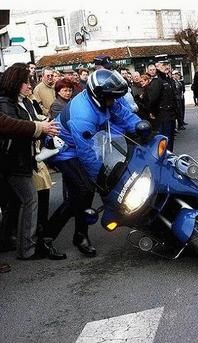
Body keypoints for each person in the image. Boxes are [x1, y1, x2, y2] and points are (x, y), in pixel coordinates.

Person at [46, 69, 142, 257]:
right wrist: (103, 181)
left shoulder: (105, 97)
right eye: (111, 98)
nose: (113, 101)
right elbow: (86, 154)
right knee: (84, 190)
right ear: (100, 96)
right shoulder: (83, 115)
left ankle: (77, 235)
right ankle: (48, 237)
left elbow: (124, 115)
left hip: (85, 142)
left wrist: (142, 129)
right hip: (64, 150)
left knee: (81, 194)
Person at [0, 65, 60, 260]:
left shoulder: (21, 101)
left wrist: (44, 125)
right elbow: (13, 125)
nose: (29, 85)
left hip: (20, 160)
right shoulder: (5, 102)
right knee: (30, 200)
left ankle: (13, 241)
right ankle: (27, 248)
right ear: (16, 83)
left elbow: (30, 121)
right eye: (26, 81)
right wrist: (40, 127)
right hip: (13, 161)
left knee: (17, 202)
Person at [147, 60, 177, 151]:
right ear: (157, 67)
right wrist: (152, 112)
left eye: (167, 64)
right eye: (163, 65)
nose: (166, 67)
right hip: (163, 114)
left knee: (170, 139)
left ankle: (169, 157)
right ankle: (164, 159)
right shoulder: (157, 81)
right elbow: (153, 100)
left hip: (171, 114)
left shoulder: (168, 80)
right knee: (164, 139)